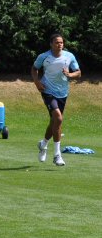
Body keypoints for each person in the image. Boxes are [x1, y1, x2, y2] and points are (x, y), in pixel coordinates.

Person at [31, 33, 80, 166]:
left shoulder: (69, 56)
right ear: (51, 44)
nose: (60, 44)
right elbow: (34, 69)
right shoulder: (44, 56)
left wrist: (70, 74)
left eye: (61, 42)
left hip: (63, 92)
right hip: (47, 91)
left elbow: (78, 72)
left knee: (54, 121)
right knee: (58, 118)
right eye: (57, 42)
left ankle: (43, 144)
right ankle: (57, 155)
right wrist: (37, 82)